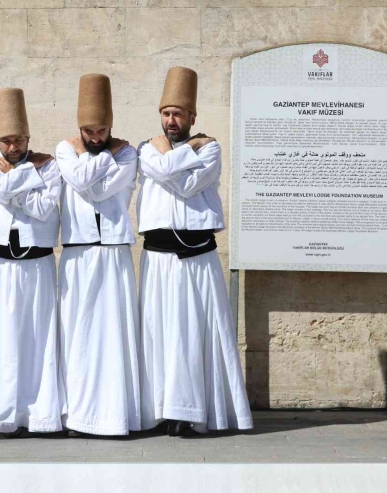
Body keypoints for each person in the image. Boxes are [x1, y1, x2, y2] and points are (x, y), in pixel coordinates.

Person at [137, 66, 253, 436]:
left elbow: (187, 186)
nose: (171, 121)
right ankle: (159, 409)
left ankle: (191, 411)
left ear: (191, 117)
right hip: (157, 258)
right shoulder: (146, 148)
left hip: (196, 257)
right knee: (160, 331)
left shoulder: (213, 148)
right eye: (166, 114)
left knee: (192, 332)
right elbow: (159, 169)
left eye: (178, 115)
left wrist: (172, 157)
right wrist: (188, 149)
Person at [0, 87, 64, 435]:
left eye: (20, 140)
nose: (13, 148)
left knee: (37, 338)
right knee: (0, 338)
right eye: (7, 141)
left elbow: (44, 209)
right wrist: (29, 177)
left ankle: (38, 414)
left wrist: (15, 183)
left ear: (28, 138)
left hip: (37, 263)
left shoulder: (50, 166)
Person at [55, 74, 141, 436]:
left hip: (114, 252)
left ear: (111, 126)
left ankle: (115, 414)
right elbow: (78, 182)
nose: (95, 137)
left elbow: (104, 189)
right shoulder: (65, 149)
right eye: (88, 131)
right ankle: (78, 415)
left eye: (102, 130)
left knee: (113, 333)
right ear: (79, 128)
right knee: (79, 333)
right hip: (77, 253)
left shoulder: (130, 152)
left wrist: (94, 161)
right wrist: (107, 156)